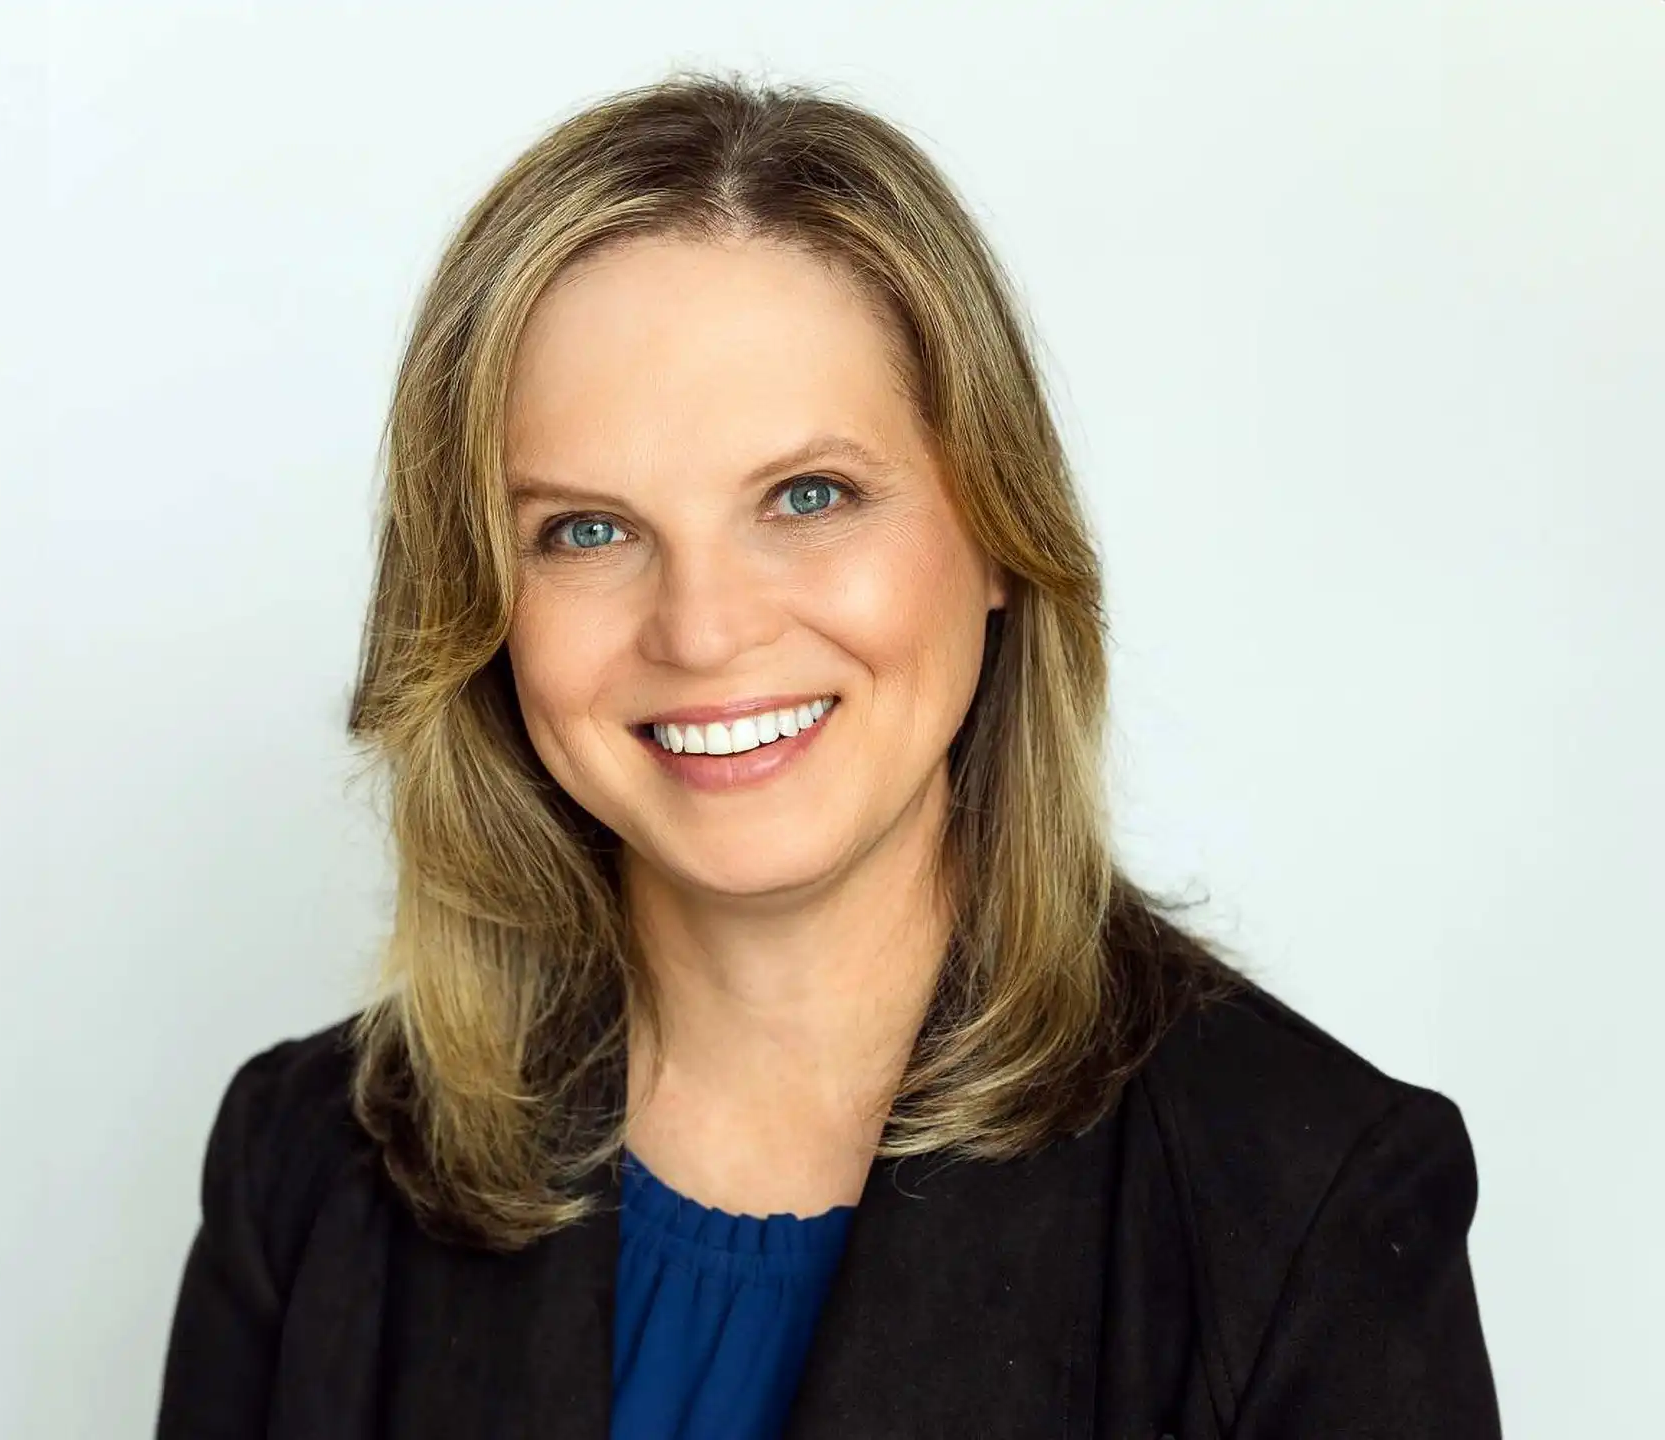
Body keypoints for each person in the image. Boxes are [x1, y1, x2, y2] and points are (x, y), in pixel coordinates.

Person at [156, 71, 1498, 1439]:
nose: (704, 628)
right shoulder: (308, 1167)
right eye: (585, 530)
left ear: (994, 531)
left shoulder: (1309, 1201)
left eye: (809, 496)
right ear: (480, 609)